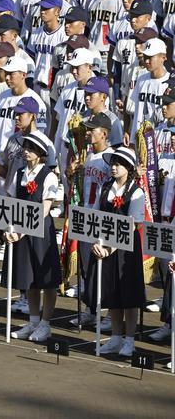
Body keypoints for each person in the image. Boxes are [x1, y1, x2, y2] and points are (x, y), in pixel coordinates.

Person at [2, 131, 62, 344]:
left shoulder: (49, 175)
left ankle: (45, 324)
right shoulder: (19, 173)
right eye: (25, 147)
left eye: (31, 148)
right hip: (21, 232)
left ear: (40, 153)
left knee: (46, 280)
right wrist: (9, 227)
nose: (26, 151)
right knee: (30, 279)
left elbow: (45, 209)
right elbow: (10, 199)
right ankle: (33, 321)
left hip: (40, 233)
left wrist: (21, 230)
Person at [88, 146, 147, 358]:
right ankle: (115, 337)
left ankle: (129, 339)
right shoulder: (106, 188)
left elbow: (132, 225)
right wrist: (97, 243)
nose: (114, 167)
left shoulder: (136, 192)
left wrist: (110, 247)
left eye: (118, 163)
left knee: (128, 295)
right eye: (112, 163)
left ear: (128, 167)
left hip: (125, 251)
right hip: (105, 247)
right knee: (112, 292)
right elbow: (95, 216)